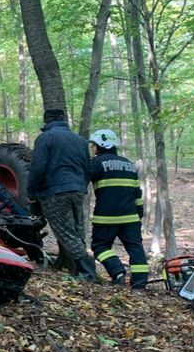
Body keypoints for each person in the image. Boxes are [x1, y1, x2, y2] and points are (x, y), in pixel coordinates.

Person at [26, 108, 99, 281]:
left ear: (46, 121)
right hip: (78, 190)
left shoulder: (46, 138)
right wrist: (81, 187)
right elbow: (88, 168)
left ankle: (88, 272)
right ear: (63, 119)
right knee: (76, 231)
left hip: (55, 192)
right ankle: (68, 264)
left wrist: (31, 192)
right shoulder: (80, 140)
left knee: (66, 233)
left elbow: (37, 168)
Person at [88, 128, 149, 289]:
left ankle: (117, 271)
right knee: (135, 249)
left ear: (101, 145)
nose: (93, 148)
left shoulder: (96, 163)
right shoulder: (130, 165)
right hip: (131, 218)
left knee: (99, 247)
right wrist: (139, 213)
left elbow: (81, 179)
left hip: (105, 218)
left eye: (94, 145)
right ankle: (140, 283)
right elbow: (137, 193)